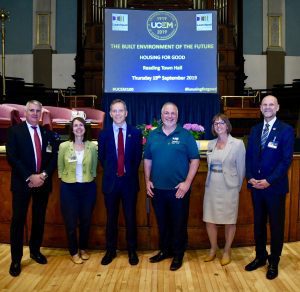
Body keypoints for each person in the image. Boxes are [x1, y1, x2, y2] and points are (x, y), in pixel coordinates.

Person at [144, 102, 200, 271]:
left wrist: (187, 183)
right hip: (158, 190)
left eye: (172, 113)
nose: (169, 116)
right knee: (162, 223)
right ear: (161, 116)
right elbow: (147, 159)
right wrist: (147, 180)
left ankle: (178, 254)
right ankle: (165, 251)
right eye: (166, 113)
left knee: (178, 224)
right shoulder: (153, 135)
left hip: (179, 190)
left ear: (177, 115)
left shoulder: (185, 135)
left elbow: (195, 160)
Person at [6, 100, 58, 277]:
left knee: (38, 219)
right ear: (25, 112)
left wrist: (42, 176)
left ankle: (35, 251)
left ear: (41, 113)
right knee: (18, 222)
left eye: (38, 111)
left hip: (42, 183)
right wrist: (30, 176)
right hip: (23, 183)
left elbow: (53, 158)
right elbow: (12, 158)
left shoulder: (47, 132)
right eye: (32, 110)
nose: (35, 114)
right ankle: (15, 260)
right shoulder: (15, 131)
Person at [245, 95, 294, 280]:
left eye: (271, 104)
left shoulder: (286, 130)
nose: (267, 107)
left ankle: (274, 261)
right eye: (264, 104)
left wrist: (269, 180)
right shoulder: (255, 129)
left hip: (274, 188)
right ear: (260, 108)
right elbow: (249, 157)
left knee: (276, 226)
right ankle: (260, 256)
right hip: (256, 187)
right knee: (258, 225)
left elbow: (285, 160)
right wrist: (250, 177)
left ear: (278, 107)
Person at [98, 99, 142, 265]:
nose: (117, 114)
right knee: (111, 220)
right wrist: (114, 171)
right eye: (114, 111)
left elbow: (137, 158)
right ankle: (110, 251)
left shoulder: (135, 133)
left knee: (131, 219)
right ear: (110, 114)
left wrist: (125, 172)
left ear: (126, 113)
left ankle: (132, 251)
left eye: (120, 110)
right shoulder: (104, 134)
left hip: (129, 183)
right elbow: (102, 158)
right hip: (111, 183)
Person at [203, 114, 245, 266]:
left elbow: (241, 170)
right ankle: (213, 249)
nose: (218, 125)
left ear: (227, 125)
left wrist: (236, 188)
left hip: (229, 188)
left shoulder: (238, 144)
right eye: (215, 123)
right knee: (209, 219)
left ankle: (227, 250)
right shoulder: (210, 144)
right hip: (212, 185)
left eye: (221, 123)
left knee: (229, 220)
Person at [58, 117, 97, 264]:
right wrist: (65, 178)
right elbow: (60, 167)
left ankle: (83, 249)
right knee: (71, 223)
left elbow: (94, 167)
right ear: (72, 129)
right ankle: (74, 252)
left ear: (85, 128)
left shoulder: (92, 146)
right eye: (75, 125)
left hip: (88, 187)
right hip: (69, 188)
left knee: (86, 221)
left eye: (81, 125)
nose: (78, 128)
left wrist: (90, 177)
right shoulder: (64, 146)